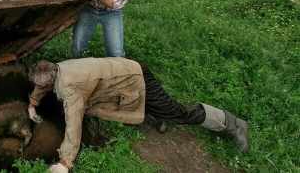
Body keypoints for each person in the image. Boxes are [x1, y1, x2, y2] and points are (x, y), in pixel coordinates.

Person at [27, 58, 249, 173]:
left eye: (43, 85)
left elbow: (73, 125)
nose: (42, 87)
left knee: (176, 111)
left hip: (136, 76)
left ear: (52, 75)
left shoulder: (70, 87)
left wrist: (65, 161)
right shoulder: (58, 68)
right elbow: (42, 85)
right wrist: (33, 103)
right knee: (111, 104)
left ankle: (232, 123)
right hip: (120, 73)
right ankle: (157, 114)